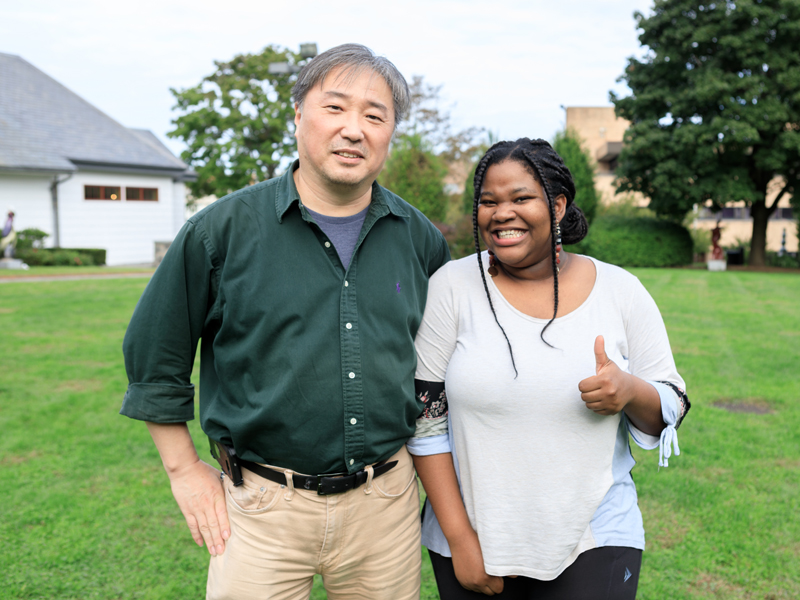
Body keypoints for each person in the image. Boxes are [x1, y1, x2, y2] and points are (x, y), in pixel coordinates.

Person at [121, 44, 450, 600]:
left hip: (386, 507)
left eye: (375, 115)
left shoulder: (419, 240)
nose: (354, 129)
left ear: (391, 132)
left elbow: (448, 365)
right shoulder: (218, 232)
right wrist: (183, 471)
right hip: (261, 509)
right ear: (298, 115)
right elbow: (157, 355)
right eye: (335, 108)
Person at [408, 138, 689, 599]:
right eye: (489, 201)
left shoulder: (621, 290)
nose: (502, 213)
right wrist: (460, 539)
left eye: (521, 198)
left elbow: (672, 402)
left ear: (557, 206)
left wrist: (630, 391)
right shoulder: (453, 287)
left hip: (593, 537)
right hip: (473, 539)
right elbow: (425, 422)